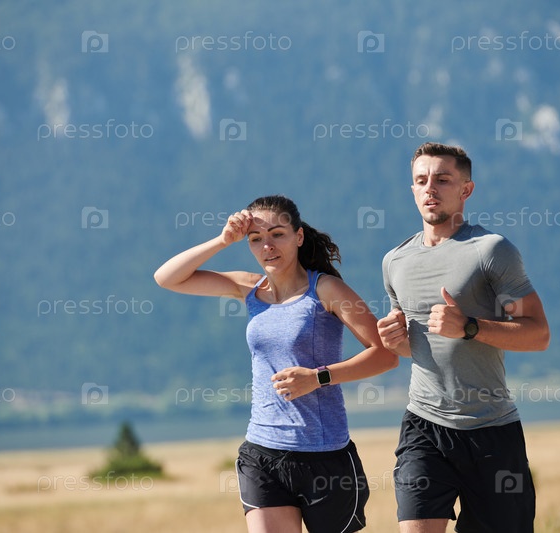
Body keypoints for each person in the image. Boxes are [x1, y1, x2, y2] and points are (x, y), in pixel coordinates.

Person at [154, 195, 398, 533]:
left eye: (277, 235)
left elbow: (385, 355)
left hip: (324, 455)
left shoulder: (327, 289)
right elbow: (167, 278)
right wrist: (223, 240)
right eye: (256, 239)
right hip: (262, 452)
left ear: (298, 236)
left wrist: (318, 377)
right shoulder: (249, 288)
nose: (267, 246)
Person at [376, 142, 550, 533]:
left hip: (492, 431)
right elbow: (416, 346)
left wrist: (470, 327)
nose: (430, 188)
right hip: (424, 426)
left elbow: (539, 334)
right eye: (421, 180)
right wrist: (395, 340)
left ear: (466, 189)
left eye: (442, 179)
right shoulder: (394, 261)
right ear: (412, 189)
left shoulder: (491, 250)